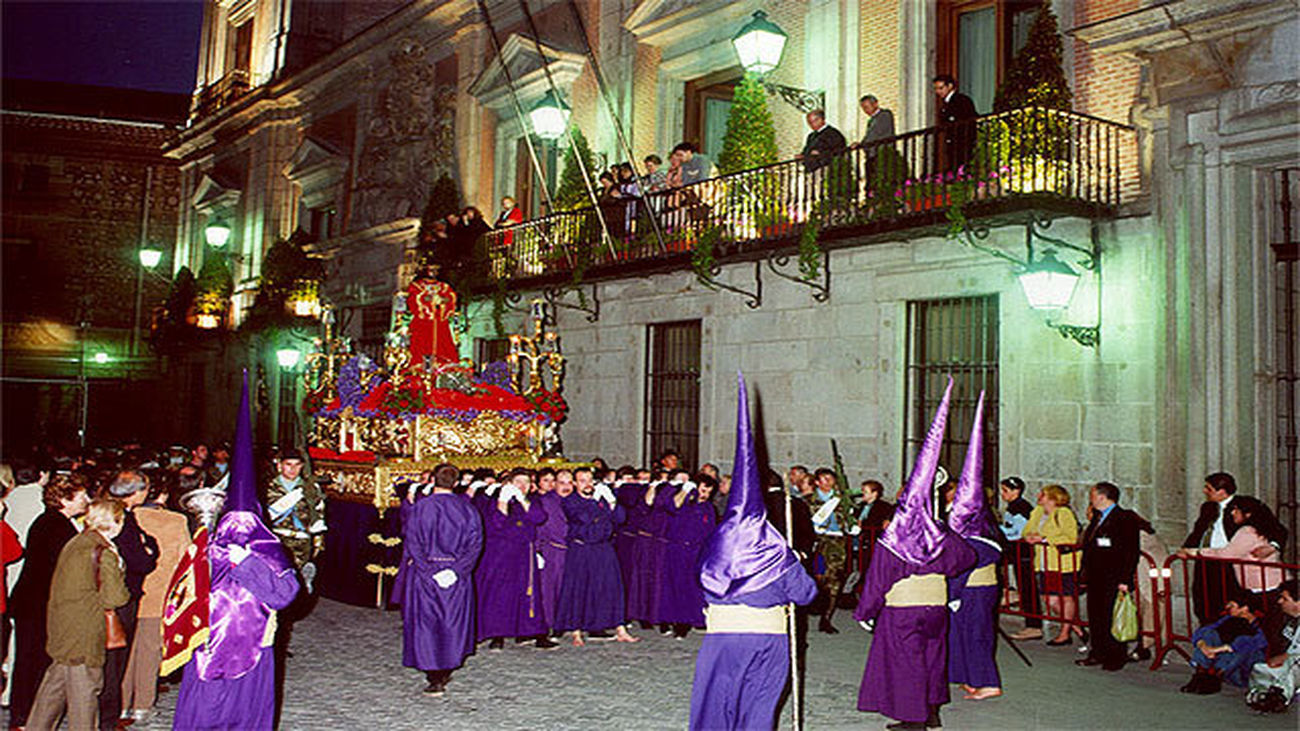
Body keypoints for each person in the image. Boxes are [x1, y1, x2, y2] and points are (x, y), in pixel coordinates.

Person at [171, 375, 302, 731]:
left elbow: (285, 594)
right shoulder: (207, 548)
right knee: (210, 708)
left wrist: (246, 564)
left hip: (254, 641)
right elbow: (181, 595)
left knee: (243, 710)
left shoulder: (267, 551)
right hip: (211, 641)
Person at [690, 374, 818, 730]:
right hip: (768, 637)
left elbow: (699, 583)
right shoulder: (778, 552)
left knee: (717, 703)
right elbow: (806, 593)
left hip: (723, 638)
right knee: (760, 707)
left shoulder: (714, 546)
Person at [855, 378, 976, 730]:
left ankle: (913, 719)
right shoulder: (940, 534)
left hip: (904, 610)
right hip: (935, 606)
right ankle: (933, 709)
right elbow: (964, 558)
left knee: (906, 662)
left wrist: (865, 611)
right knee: (933, 658)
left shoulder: (894, 538)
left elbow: (879, 578)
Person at [27, 498, 130, 731]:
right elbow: (115, 598)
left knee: (54, 688)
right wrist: (119, 569)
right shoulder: (103, 551)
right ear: (114, 523)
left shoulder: (77, 541)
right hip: (85, 630)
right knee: (85, 695)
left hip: (62, 626)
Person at [393, 463, 483, 696]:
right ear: (457, 482)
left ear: (433, 480)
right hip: (454, 573)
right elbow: (475, 544)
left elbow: (412, 542)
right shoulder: (467, 509)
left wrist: (428, 570)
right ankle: (446, 666)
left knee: (427, 621)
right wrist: (457, 570)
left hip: (426, 573)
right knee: (452, 620)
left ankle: (433, 673)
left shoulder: (421, 508)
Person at [9, 472, 91, 728]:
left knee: (31, 659)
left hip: (33, 601)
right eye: (81, 496)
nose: (87, 499)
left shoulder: (50, 521)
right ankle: (24, 716)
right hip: (38, 604)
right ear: (66, 500)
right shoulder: (57, 526)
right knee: (32, 660)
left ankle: (25, 715)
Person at [944, 393, 1002, 700]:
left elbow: (963, 563)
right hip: (970, 590)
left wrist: (951, 593)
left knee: (977, 635)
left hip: (975, 590)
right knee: (964, 633)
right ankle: (969, 676)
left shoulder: (979, 536)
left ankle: (989, 682)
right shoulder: (975, 531)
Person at [120, 473, 190, 724]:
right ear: (164, 496)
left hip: (127, 594)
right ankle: (142, 705)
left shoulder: (128, 517)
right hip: (159, 595)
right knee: (149, 653)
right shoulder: (176, 521)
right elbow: (185, 561)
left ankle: (121, 703)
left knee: (125, 651)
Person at [1180, 495, 1288, 653]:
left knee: (1270, 629)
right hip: (1263, 584)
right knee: (1265, 628)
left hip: (1265, 585)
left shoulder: (1248, 531)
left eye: (1236, 511)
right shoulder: (1259, 527)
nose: (1232, 514)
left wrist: (1195, 552)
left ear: (1248, 514)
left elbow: (1228, 553)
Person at [97, 471, 158, 731]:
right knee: (115, 659)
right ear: (136, 492)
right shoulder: (124, 518)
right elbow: (141, 560)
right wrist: (152, 550)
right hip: (122, 595)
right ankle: (108, 719)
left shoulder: (105, 509)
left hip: (106, 593)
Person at [553, 467, 638, 646]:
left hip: (603, 547)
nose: (587, 484)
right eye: (582, 481)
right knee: (578, 588)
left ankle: (620, 628)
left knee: (612, 586)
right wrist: (598, 504)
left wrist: (612, 500)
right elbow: (583, 517)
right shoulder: (570, 501)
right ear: (575, 484)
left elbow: (621, 518)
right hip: (582, 548)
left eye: (590, 480)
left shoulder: (601, 499)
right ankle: (576, 630)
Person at [473, 469, 554, 650]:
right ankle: (497, 634)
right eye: (518, 482)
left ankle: (533, 631)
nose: (522, 486)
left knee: (528, 592)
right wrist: (503, 501)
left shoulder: (532, 500)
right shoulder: (494, 500)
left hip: (525, 551)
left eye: (526, 482)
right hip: (501, 552)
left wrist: (522, 500)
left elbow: (539, 517)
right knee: (500, 593)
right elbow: (496, 523)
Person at [1075, 481, 1142, 672]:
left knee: (1113, 616)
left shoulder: (1124, 518)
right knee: (1096, 616)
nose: (1091, 499)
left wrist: (1125, 579)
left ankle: (1115, 656)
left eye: (1093, 495)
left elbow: (1131, 552)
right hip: (1096, 575)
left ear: (1102, 497)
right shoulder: (1097, 518)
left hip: (1114, 576)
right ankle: (1097, 652)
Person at [1021, 483, 1084, 646]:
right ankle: (1076, 626)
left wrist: (1045, 540)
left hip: (1062, 563)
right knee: (1049, 599)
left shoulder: (1064, 513)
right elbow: (1026, 530)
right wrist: (1029, 536)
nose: (1038, 497)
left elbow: (1071, 537)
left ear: (1052, 497)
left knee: (1065, 596)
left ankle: (1065, 632)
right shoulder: (1037, 512)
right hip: (1043, 562)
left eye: (1043, 494)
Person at [659, 474, 717, 638]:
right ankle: (670, 619)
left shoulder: (708, 508)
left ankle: (686, 621)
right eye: (703, 489)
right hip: (676, 548)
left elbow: (711, 531)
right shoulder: (684, 501)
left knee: (690, 587)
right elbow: (672, 506)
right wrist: (685, 490)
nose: (705, 494)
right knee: (673, 584)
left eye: (709, 492)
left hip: (696, 551)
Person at [1183, 472, 1244, 625]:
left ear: (1222, 492)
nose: (1204, 491)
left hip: (1229, 562)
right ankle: (1206, 632)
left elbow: (1273, 529)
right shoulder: (1208, 507)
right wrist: (1186, 549)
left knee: (1227, 599)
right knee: (1203, 600)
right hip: (1206, 560)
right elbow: (1198, 531)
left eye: (1208, 489)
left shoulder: (1244, 505)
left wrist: (1271, 547)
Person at [1180, 595, 1268, 694]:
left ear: (1244, 608)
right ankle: (1201, 674)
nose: (1227, 608)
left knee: (1244, 647)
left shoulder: (1262, 624)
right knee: (1209, 633)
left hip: (1242, 670)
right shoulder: (1228, 618)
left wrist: (1215, 650)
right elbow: (1202, 631)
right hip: (1227, 665)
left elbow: (1248, 643)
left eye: (1231, 606)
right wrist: (1203, 646)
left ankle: (1215, 678)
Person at [1246, 580, 1300, 713]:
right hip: (1289, 661)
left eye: (1284, 599)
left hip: (1295, 662)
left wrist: (1286, 656)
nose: (1280, 602)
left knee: (1292, 664)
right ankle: (1261, 694)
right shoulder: (1284, 618)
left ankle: (1279, 697)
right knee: (1260, 667)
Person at [1000, 476, 1042, 640]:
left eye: (1005, 490)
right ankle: (1030, 623)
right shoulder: (1014, 506)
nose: (1002, 494)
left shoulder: (1020, 507)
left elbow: (1019, 532)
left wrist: (1000, 532)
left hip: (1023, 553)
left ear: (1015, 491)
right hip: (1018, 553)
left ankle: (1034, 625)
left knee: (1028, 588)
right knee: (1025, 588)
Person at [807, 467, 849, 634]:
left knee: (835, 582)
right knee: (817, 579)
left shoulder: (841, 499)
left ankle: (826, 618)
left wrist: (852, 526)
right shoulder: (808, 500)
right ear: (817, 482)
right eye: (824, 479)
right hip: (817, 543)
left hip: (836, 543)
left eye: (831, 478)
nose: (829, 482)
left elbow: (848, 516)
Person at [933, 74, 977, 171]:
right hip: (954, 144)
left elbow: (967, 121)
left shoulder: (961, 100)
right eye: (936, 89)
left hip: (963, 144)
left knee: (961, 168)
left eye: (941, 88)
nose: (938, 92)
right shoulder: (946, 103)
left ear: (950, 86)